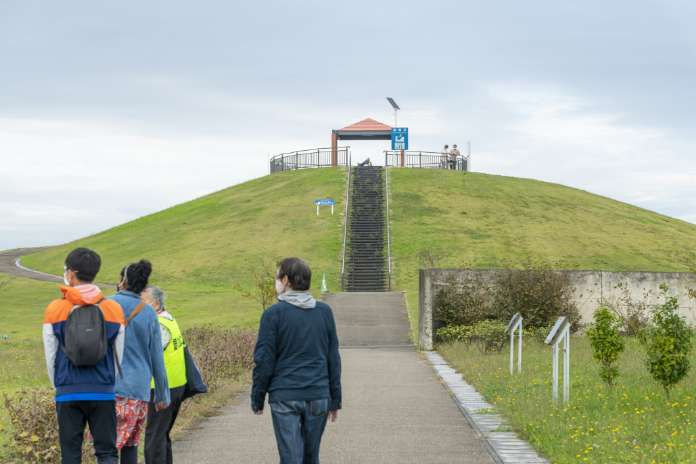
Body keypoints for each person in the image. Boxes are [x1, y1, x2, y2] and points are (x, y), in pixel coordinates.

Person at [251, 257, 342, 464]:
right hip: (318, 395)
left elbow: (264, 360)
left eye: (277, 277)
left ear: (285, 280)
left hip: (285, 396)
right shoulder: (324, 312)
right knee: (311, 457)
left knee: (291, 458)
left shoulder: (273, 314)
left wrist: (258, 397)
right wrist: (335, 399)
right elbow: (333, 358)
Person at [43, 248, 125, 464]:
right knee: (107, 453)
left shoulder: (55, 309)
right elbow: (118, 355)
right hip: (103, 390)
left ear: (71, 273)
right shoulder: (113, 309)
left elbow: (50, 355)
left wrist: (58, 384)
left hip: (68, 391)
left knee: (70, 455)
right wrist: (109, 382)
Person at [112, 260, 170, 464]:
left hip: (110, 387)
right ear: (143, 286)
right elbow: (157, 359)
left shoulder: (105, 305)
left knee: (107, 447)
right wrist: (162, 394)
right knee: (130, 446)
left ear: (123, 281)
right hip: (139, 390)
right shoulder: (148, 314)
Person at [142, 285, 187, 464]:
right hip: (176, 385)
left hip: (161, 389)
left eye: (142, 301)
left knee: (153, 440)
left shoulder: (158, 325)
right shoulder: (170, 320)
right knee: (162, 435)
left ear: (154, 304)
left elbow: (149, 355)